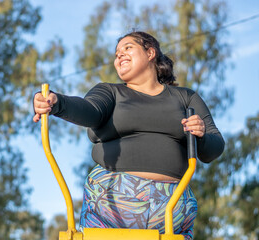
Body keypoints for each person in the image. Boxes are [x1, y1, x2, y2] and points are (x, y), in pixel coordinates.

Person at [33, 31, 224, 240]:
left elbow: (214, 148)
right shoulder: (110, 92)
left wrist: (201, 135)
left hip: (171, 207)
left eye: (127, 48)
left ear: (150, 52)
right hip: (112, 205)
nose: (119, 55)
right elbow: (89, 109)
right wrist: (57, 102)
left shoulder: (185, 97)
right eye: (116, 54)